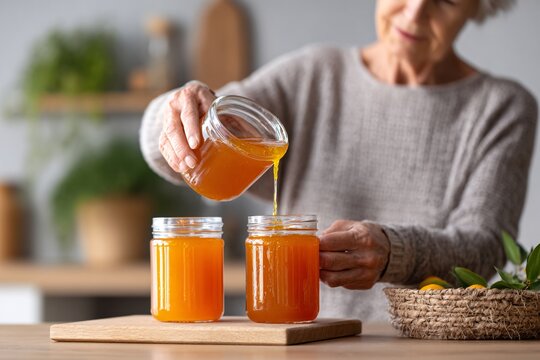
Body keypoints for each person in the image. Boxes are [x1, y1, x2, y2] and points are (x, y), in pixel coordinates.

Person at [140, 0, 537, 321]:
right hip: (296, 341)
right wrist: (177, 110)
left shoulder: (502, 108)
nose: (415, 11)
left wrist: (393, 251)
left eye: (446, 1)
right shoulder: (313, 76)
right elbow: (163, 148)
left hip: (424, 349)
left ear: (481, 6)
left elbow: (486, 249)